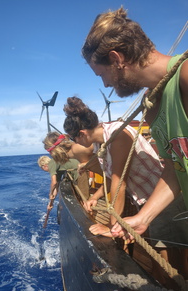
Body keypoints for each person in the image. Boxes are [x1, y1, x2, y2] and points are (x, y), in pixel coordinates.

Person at [81, 8, 188, 250]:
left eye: (101, 75)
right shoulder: (151, 106)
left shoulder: (185, 76)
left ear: (117, 60)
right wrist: (143, 217)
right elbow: (175, 168)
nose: (106, 84)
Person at [63, 96, 188, 280]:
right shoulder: (101, 142)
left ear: (81, 133)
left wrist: (111, 227)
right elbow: (108, 176)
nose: (76, 143)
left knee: (167, 267)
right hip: (146, 202)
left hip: (163, 200)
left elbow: (119, 184)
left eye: (74, 138)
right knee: (165, 262)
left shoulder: (118, 135)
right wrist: (95, 197)